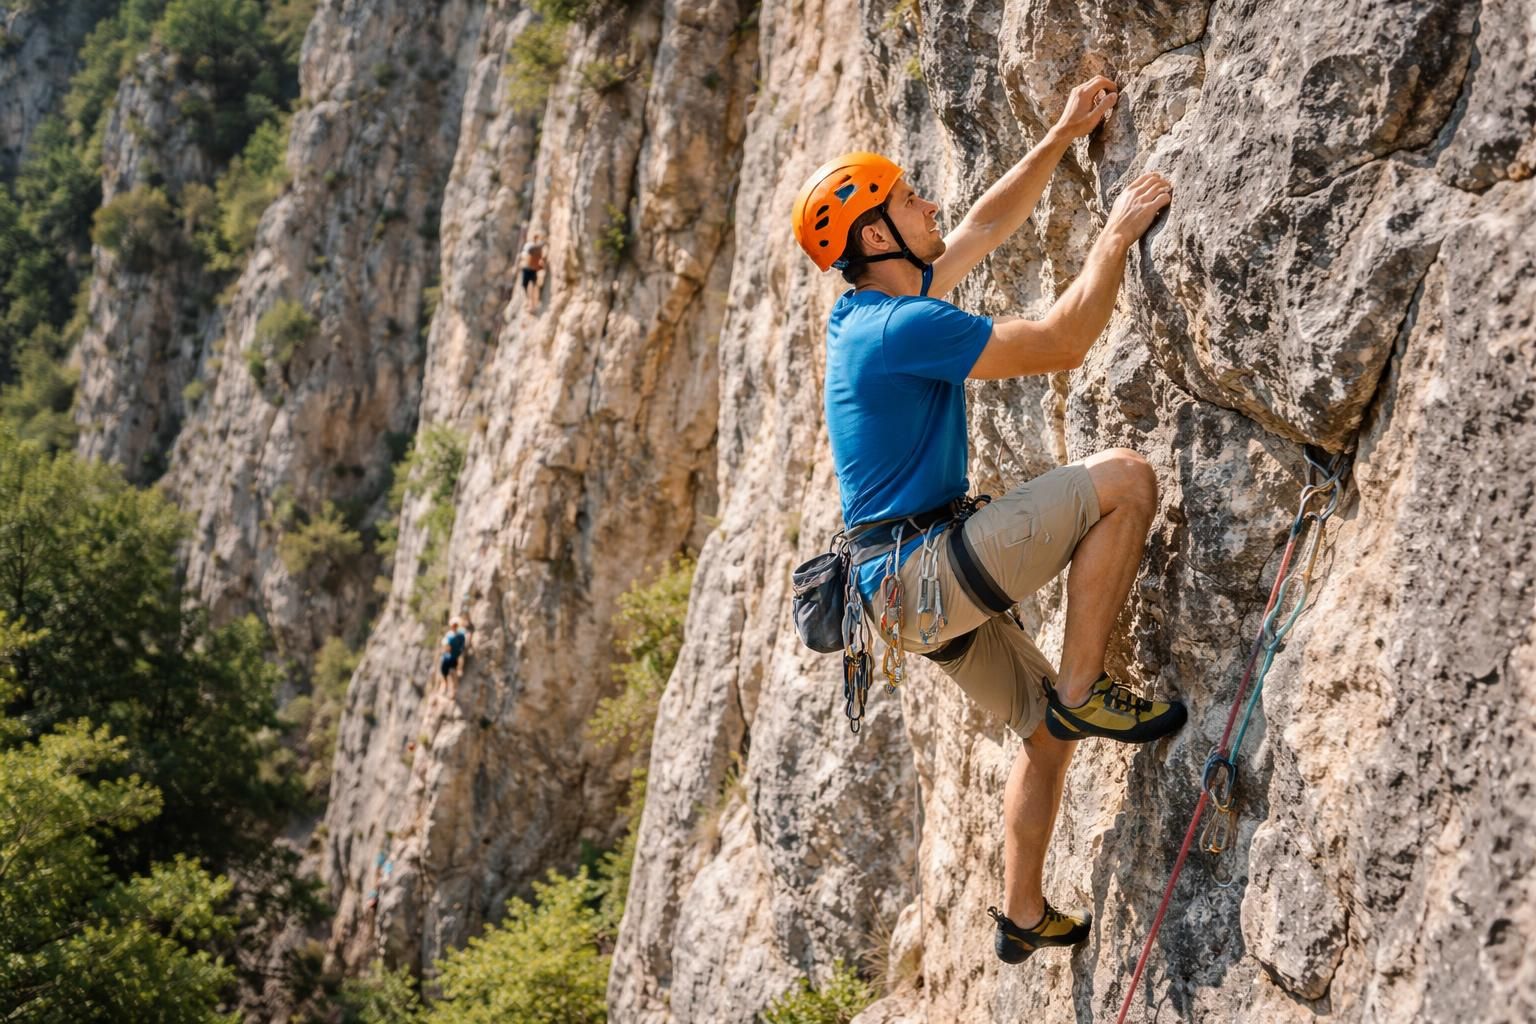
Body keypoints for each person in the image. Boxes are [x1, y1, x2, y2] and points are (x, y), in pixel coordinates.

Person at [792, 75, 1188, 965]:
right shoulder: (897, 329)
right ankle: (1090, 690)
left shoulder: (871, 314)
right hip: (920, 572)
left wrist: (1057, 137)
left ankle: (1022, 912)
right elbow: (1062, 344)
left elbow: (983, 227)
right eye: (907, 199)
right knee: (1123, 479)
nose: (931, 202)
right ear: (875, 234)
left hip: (897, 598)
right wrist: (1116, 238)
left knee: (1044, 737)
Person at [518, 231, 546, 308]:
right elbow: (529, 251)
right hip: (527, 269)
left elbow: (540, 258)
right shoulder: (531, 246)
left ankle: (532, 303)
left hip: (532, 270)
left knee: (533, 286)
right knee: (525, 285)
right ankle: (529, 301)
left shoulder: (538, 248)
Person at [438, 619, 467, 691]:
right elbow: (445, 643)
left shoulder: (460, 635)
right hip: (450, 655)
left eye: (455, 625)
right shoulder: (449, 635)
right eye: (453, 626)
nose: (454, 627)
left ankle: (453, 685)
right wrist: (447, 647)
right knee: (444, 665)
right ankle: (445, 681)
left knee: (454, 668)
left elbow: (462, 645)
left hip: (457, 654)